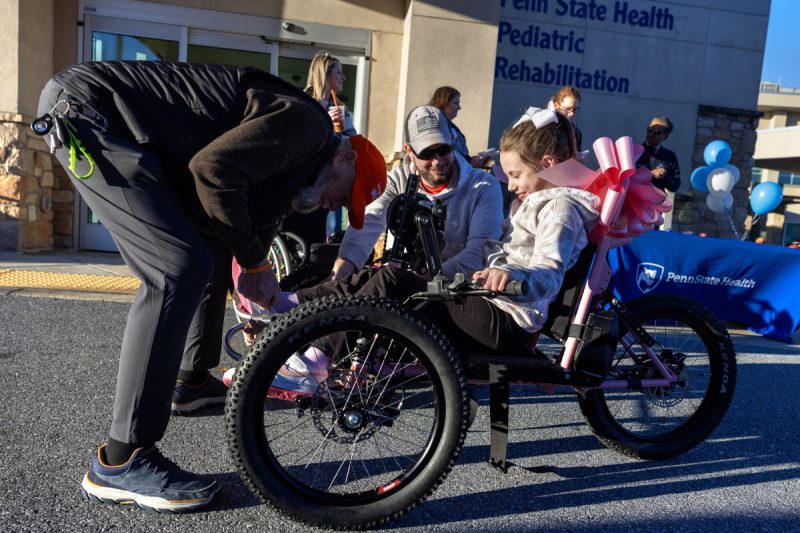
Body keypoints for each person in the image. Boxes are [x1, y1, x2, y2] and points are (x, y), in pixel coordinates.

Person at [35, 60, 386, 513]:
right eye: (347, 193)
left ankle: (190, 382)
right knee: (175, 268)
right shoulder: (308, 127)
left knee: (209, 249)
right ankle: (121, 461)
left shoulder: (298, 164)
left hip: (116, 123)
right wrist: (257, 263)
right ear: (344, 158)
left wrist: (264, 282)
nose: (337, 205)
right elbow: (212, 171)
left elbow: (242, 224)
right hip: (89, 112)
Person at [271, 106, 598, 366]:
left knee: (393, 284)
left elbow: (549, 275)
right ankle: (297, 305)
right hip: (489, 305)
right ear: (410, 152)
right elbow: (367, 223)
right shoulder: (538, 203)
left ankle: (318, 357)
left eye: (515, 175)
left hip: (509, 323)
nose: (510, 185)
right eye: (509, 175)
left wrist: (507, 273)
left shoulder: (560, 209)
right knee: (382, 276)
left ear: (547, 164)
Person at [326, 104, 503, 283]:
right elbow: (364, 229)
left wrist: (423, 279)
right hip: (398, 281)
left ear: (452, 140)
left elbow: (479, 253)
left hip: (454, 289)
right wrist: (342, 270)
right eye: (426, 153)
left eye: (444, 149)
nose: (437, 161)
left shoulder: (483, 186)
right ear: (409, 151)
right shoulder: (395, 181)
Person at [305, 52, 357, 236]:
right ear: (325, 73)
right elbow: (299, 136)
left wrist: (341, 133)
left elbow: (353, 142)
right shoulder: (304, 101)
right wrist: (325, 121)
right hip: (305, 182)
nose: (343, 77)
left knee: (328, 230)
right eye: (339, 72)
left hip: (330, 180)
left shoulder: (340, 107)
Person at [429, 86, 491, 168]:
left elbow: (460, 155)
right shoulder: (434, 126)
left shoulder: (451, 126)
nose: (459, 107)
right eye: (455, 103)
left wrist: (473, 161)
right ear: (443, 103)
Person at [636, 116, 681, 193]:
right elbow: (627, 178)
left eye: (656, 131)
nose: (651, 133)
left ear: (665, 136)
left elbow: (675, 186)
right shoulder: (635, 151)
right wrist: (650, 174)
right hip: (636, 200)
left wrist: (665, 176)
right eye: (650, 129)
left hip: (657, 203)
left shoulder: (670, 156)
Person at [547, 85, 583, 150]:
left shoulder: (577, 133)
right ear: (556, 105)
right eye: (567, 109)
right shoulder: (545, 126)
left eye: (575, 109)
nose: (571, 114)